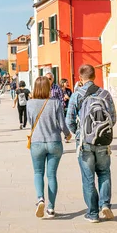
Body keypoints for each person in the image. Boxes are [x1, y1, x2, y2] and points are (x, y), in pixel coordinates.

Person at [66, 65, 117, 223]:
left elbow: (69, 120)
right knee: (104, 173)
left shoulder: (77, 95)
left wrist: (79, 133)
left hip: (84, 143)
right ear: (95, 76)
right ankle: (105, 204)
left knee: (88, 178)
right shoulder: (105, 94)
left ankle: (93, 213)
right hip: (102, 142)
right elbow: (113, 118)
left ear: (80, 78)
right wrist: (101, 132)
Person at [28, 76, 72, 218]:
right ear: (48, 88)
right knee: (52, 175)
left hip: (37, 142)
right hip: (54, 142)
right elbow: (61, 123)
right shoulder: (56, 103)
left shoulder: (30, 103)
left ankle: (40, 198)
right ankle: (51, 208)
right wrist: (67, 134)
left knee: (38, 173)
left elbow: (30, 122)